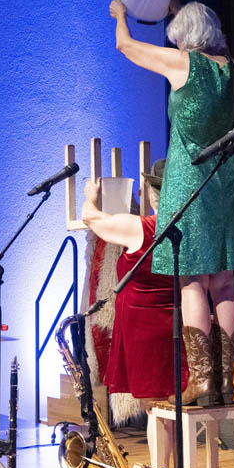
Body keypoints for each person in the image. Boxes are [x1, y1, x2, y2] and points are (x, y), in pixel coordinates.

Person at [108, 0, 234, 405]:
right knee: (224, 281)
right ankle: (226, 381)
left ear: (185, 39)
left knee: (192, 281)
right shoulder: (228, 66)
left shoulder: (183, 63)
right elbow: (201, 32)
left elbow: (126, 47)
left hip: (191, 179)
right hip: (226, 179)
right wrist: (177, 9)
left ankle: (202, 381)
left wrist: (121, 16)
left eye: (179, 38)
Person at [81, 160, 190, 405]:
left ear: (153, 194)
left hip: (144, 328)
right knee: (169, 399)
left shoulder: (141, 227)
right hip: (178, 322)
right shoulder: (190, 230)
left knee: (154, 403)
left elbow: (90, 217)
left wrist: (90, 197)